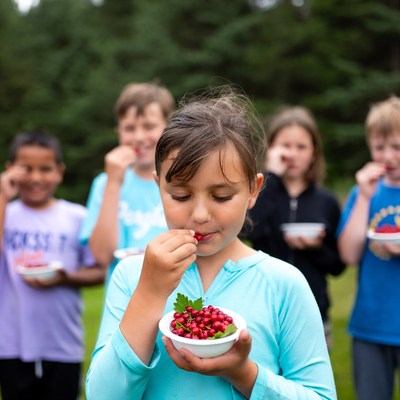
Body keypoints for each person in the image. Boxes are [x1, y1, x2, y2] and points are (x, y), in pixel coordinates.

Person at [85, 87, 337, 399]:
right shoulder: (132, 276)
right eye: (180, 195)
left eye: (221, 196)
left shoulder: (283, 284)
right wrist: (150, 293)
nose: (200, 215)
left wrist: (243, 373)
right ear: (157, 186)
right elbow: (103, 394)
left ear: (253, 190)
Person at [0, 131, 105, 400]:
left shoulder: (77, 216)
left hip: (63, 344)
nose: (36, 177)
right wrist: (2, 196)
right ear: (10, 169)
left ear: (59, 172)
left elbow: (99, 270)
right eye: (26, 169)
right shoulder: (6, 214)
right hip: (10, 345)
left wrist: (64, 277)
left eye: (45, 169)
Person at [241, 106, 345, 350]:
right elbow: (247, 232)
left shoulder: (326, 201)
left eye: (301, 147)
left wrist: (315, 248)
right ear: (272, 149)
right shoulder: (261, 193)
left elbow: (338, 265)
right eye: (285, 146)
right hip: (264, 307)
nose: (293, 154)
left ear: (314, 152)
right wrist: (272, 177)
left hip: (313, 310)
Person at [79, 82, 175, 283]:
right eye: (129, 128)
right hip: (120, 299)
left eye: (149, 126)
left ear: (168, 127)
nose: (139, 137)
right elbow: (102, 256)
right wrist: (113, 182)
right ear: (118, 132)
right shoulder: (104, 183)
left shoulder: (181, 181)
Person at [337, 95, 400, 400]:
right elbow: (349, 254)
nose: (388, 156)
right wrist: (363, 196)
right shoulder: (363, 192)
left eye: (397, 147)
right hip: (370, 325)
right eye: (379, 147)